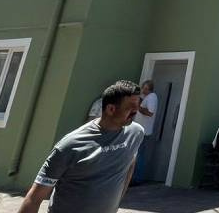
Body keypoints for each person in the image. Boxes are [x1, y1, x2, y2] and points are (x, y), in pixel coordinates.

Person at [17, 80, 145, 213]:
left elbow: (130, 162)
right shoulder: (69, 146)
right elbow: (34, 198)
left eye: (138, 105)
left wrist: (116, 202)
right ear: (111, 109)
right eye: (131, 107)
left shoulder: (135, 133)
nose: (136, 111)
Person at [131, 80, 158, 184]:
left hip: (144, 131)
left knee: (139, 155)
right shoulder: (147, 98)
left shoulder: (152, 97)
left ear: (150, 89)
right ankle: (135, 177)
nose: (144, 90)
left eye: (146, 88)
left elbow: (150, 113)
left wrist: (138, 107)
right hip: (141, 130)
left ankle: (137, 179)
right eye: (143, 88)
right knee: (137, 154)